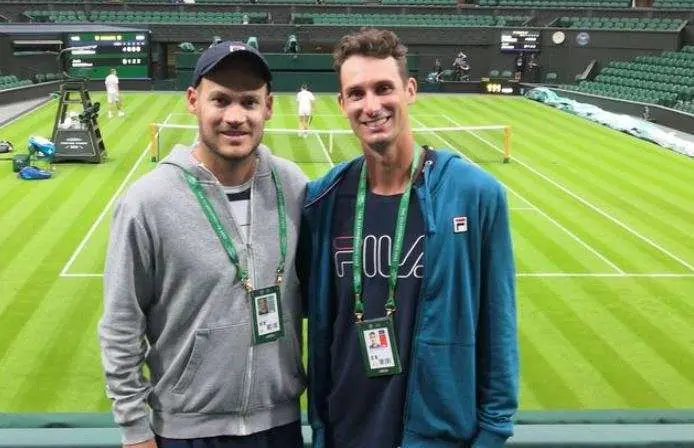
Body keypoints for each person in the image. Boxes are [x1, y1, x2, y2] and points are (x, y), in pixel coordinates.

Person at [299, 28, 518, 448]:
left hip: (435, 437)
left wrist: (493, 431)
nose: (372, 105)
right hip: (346, 432)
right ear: (342, 103)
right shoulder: (323, 198)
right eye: (357, 93)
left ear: (410, 90)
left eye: (384, 89)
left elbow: (499, 322)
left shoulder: (475, 194)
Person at [99, 41, 307, 448]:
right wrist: (134, 430)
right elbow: (121, 325)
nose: (235, 117)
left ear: (268, 107)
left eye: (249, 101)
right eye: (221, 100)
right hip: (186, 433)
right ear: (193, 100)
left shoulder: (294, 185)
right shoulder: (147, 201)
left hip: (279, 427)